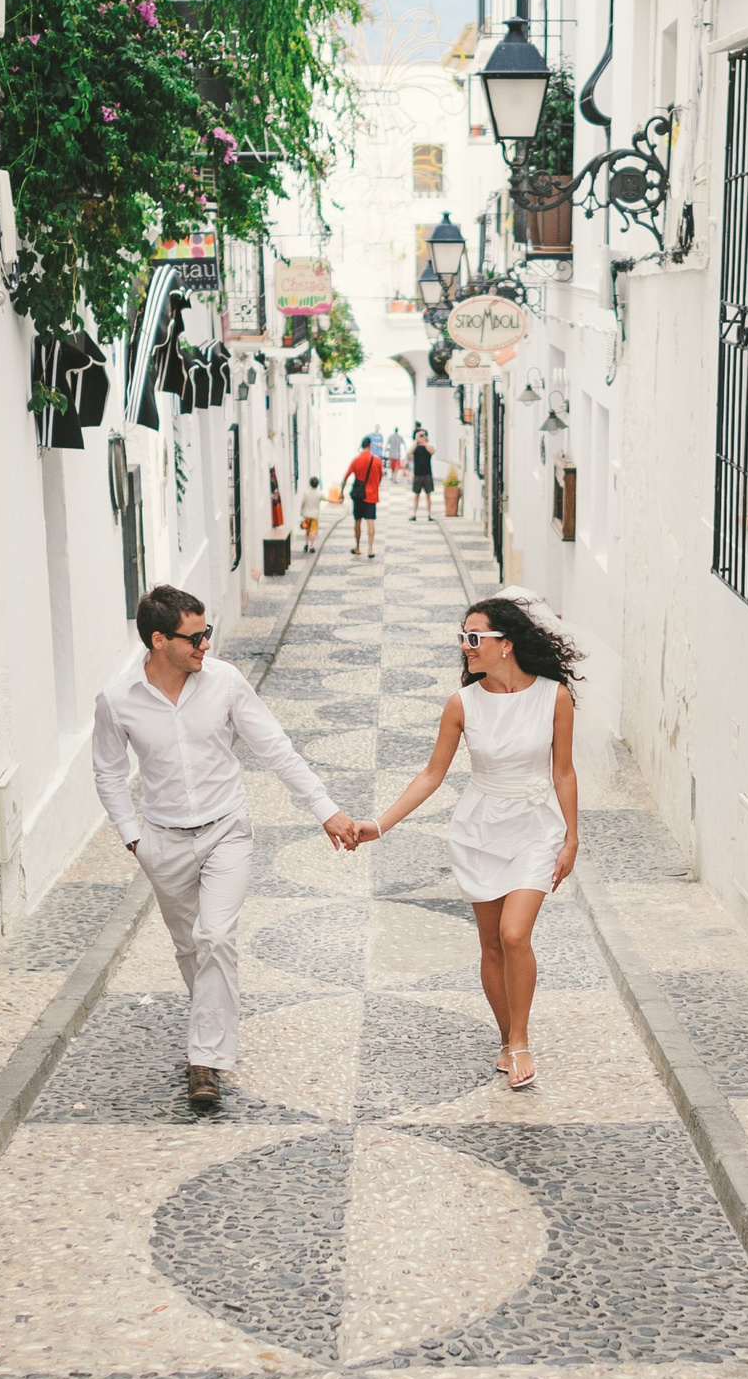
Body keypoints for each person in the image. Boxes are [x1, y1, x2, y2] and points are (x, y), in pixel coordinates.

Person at [94, 585, 361, 1113]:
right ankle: (211, 1028)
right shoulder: (117, 698)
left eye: (207, 633)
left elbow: (276, 748)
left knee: (215, 937)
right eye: (194, 638)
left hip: (226, 830)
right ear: (158, 640)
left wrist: (326, 809)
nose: (205, 646)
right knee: (191, 948)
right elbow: (106, 770)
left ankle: (205, 1061)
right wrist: (133, 836)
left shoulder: (226, 684)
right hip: (162, 840)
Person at [357, 594, 580, 1089]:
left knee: (515, 934)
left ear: (507, 644)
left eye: (474, 637)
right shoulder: (462, 704)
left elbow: (563, 771)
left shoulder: (554, 696)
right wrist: (380, 823)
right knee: (491, 945)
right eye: (462, 637)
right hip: (479, 830)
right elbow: (431, 775)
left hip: (535, 828)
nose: (465, 646)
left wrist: (571, 837)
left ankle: (520, 1040)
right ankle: (505, 1037)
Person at [344, 436, 385, 558]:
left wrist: (341, 492)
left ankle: (357, 547)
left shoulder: (356, 460)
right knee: (370, 522)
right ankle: (370, 549)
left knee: (357, 521)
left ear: (362, 446)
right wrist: (375, 485)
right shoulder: (377, 460)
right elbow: (380, 476)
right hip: (371, 495)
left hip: (359, 496)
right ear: (370, 446)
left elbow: (346, 477)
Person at [409, 429, 436, 519]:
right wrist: (416, 441)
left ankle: (429, 514)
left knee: (428, 495)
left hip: (427, 474)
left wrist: (425, 443)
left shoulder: (428, 446)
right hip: (417, 474)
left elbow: (432, 452)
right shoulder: (416, 447)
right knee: (416, 495)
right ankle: (414, 514)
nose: (421, 437)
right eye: (420, 435)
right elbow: (410, 453)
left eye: (423, 435)